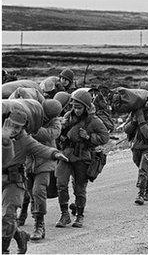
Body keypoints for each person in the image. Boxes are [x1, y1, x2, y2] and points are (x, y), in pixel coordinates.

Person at [2, 110, 68, 254]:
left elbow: (41, 148)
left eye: (18, 127)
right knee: (5, 220)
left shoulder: (26, 140)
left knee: (8, 216)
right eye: (12, 126)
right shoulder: (2, 134)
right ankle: (20, 236)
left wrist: (55, 153)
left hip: (13, 181)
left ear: (24, 128)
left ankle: (4, 249)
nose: (14, 130)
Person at [55, 89, 110, 228]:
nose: (76, 110)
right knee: (61, 184)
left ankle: (79, 215)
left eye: (79, 108)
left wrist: (88, 137)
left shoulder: (94, 120)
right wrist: (61, 129)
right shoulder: (68, 116)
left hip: (82, 156)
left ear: (86, 107)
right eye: (74, 107)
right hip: (65, 154)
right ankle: (64, 215)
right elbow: (57, 134)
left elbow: (105, 137)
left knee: (79, 188)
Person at [124, 95, 148, 205]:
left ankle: (140, 194)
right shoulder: (137, 112)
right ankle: (147, 188)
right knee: (142, 169)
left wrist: (140, 118)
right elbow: (126, 129)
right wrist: (134, 121)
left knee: (143, 169)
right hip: (136, 146)